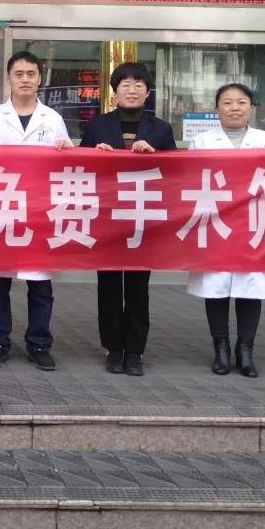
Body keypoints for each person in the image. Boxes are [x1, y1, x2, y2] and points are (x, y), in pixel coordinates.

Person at [80, 61, 177, 377]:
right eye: (125, 84)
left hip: (143, 218)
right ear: (115, 92)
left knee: (138, 288)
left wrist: (155, 156)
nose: (132, 90)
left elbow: (177, 174)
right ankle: (113, 348)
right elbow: (78, 169)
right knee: (108, 287)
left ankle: (135, 351)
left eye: (139, 85)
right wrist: (96, 155)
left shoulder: (161, 129)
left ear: (148, 92)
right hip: (107, 219)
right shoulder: (97, 126)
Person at [0, 50, 72, 372]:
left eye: (31, 74)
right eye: (18, 74)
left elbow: (66, 163)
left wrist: (66, 151)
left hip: (39, 209)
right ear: (8, 78)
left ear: (39, 79)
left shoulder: (53, 119)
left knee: (40, 284)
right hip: (3, 205)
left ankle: (39, 343)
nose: (25, 79)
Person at [186, 83, 265, 378]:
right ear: (217, 109)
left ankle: (246, 350)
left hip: (254, 223)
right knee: (216, 287)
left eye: (241, 102)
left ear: (252, 107)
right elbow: (190, 180)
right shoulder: (202, 141)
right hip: (216, 222)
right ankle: (221, 348)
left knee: (251, 286)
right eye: (227, 102)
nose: (235, 108)